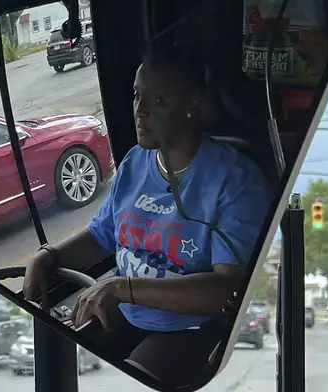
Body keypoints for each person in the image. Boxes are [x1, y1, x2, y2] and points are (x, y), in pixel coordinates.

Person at [22, 47, 273, 384]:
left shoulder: (236, 180)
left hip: (187, 327)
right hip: (125, 313)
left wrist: (120, 288)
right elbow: (101, 236)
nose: (140, 112)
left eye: (158, 101)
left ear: (192, 106)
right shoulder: (134, 163)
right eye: (137, 96)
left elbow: (224, 287)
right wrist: (48, 257)